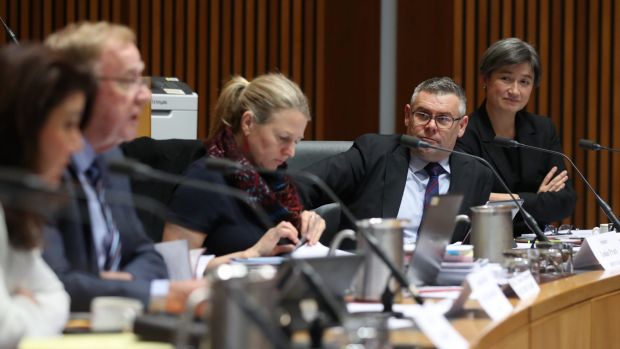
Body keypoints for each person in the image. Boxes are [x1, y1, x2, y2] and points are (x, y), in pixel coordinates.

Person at [42, 21, 202, 313]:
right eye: (129, 81)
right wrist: (147, 292)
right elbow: (54, 285)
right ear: (81, 91)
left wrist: (122, 285)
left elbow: (147, 255)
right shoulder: (43, 167)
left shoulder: (110, 158)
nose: (145, 95)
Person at [298, 77, 494, 244]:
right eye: (423, 115)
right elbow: (300, 185)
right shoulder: (373, 153)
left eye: (443, 119)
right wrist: (302, 216)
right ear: (408, 116)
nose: (431, 126)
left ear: (461, 126)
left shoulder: (476, 174)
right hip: (368, 275)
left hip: (442, 282)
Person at [162, 73, 325, 259]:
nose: (291, 152)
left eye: (296, 141)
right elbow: (171, 269)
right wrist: (250, 255)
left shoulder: (279, 183)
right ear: (248, 123)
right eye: (283, 138)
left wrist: (307, 223)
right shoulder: (204, 180)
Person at [0, 44, 96, 347]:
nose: (77, 144)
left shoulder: (13, 206)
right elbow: (6, 332)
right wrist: (26, 308)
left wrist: (22, 307)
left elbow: (56, 297)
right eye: (68, 124)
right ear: (23, 127)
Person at [456, 38, 577, 235]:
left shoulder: (543, 130)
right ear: (485, 79)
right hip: (484, 241)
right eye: (505, 78)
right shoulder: (465, 132)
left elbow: (565, 201)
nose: (515, 90)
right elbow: (469, 200)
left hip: (534, 241)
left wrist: (501, 198)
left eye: (524, 82)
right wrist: (536, 200)